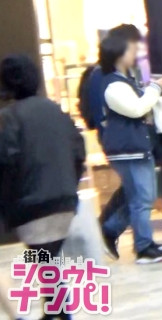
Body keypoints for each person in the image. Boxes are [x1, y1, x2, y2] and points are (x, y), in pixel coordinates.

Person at [0, 54, 86, 320]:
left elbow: (6, 162)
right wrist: (69, 185)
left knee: (44, 258)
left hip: (31, 204)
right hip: (64, 201)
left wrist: (7, 204)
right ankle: (55, 310)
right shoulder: (55, 110)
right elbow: (78, 151)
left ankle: (61, 310)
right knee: (47, 259)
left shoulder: (8, 118)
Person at [97, 34, 162, 264]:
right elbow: (137, 108)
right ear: (118, 54)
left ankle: (121, 233)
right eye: (131, 50)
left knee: (141, 197)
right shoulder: (113, 85)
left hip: (135, 147)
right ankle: (143, 247)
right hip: (128, 149)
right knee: (142, 199)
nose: (135, 54)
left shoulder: (123, 80)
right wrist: (154, 89)